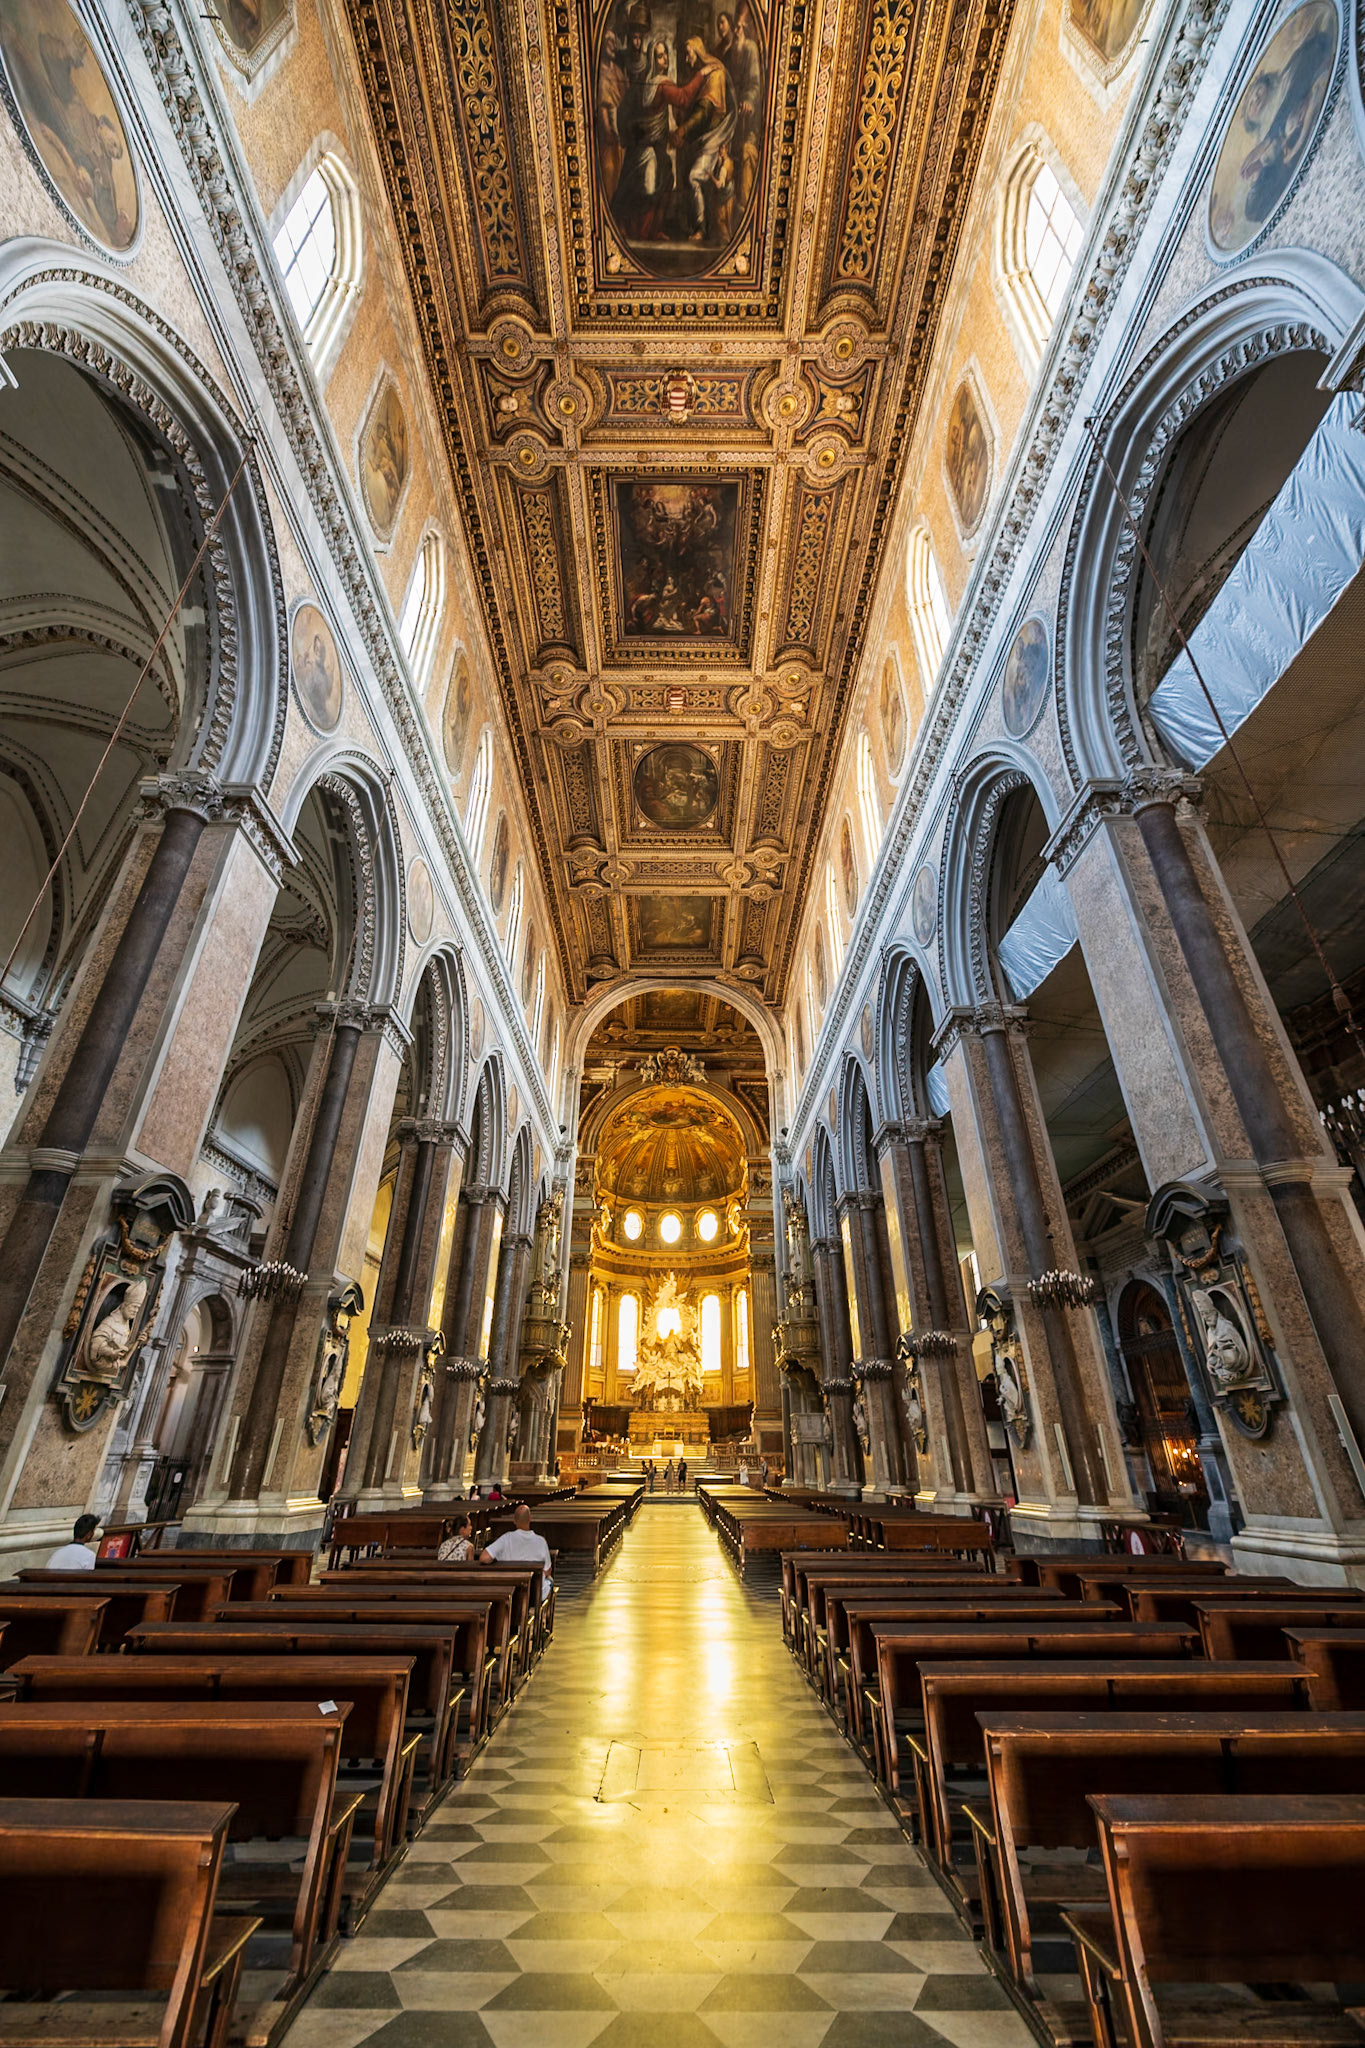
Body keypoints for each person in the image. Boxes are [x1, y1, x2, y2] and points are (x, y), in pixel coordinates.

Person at [480, 1503, 553, 1600]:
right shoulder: (541, 1541)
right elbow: (547, 1570)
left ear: (514, 1521)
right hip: (534, 1594)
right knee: (550, 1580)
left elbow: (484, 1558)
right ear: (530, 1519)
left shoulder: (506, 1538)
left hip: (511, 1592)